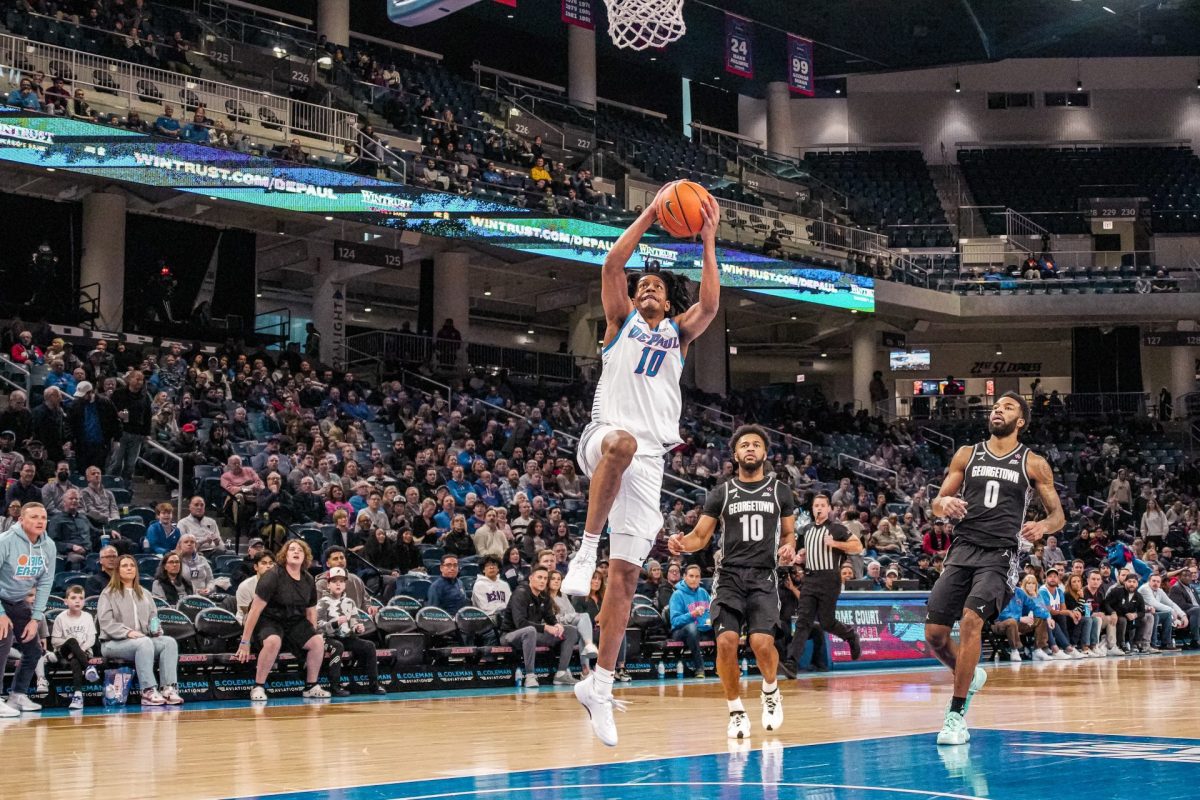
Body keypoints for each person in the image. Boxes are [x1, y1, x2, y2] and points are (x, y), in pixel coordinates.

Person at [564, 184, 721, 747]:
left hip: (651, 458)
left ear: (667, 302)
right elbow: (612, 264)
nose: (648, 287)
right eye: (642, 285)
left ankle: (599, 686)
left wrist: (707, 238)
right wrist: (652, 213)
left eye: (657, 286)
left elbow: (709, 305)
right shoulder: (620, 324)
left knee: (628, 575)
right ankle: (585, 550)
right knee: (623, 443)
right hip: (602, 440)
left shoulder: (677, 336)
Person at [924, 392, 1064, 746]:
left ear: (1021, 421)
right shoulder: (966, 454)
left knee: (971, 619)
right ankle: (969, 675)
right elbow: (936, 504)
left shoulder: (1033, 462)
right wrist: (945, 503)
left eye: (1008, 407)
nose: (998, 409)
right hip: (962, 549)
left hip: (1000, 554)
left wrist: (1043, 527)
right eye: (997, 405)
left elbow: (1058, 516)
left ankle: (955, 716)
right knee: (935, 636)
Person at [668, 424, 798, 738]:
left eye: (756, 444)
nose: (750, 448)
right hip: (729, 577)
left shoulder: (780, 490)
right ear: (735, 453)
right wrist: (681, 543)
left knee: (760, 643)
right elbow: (701, 536)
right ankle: (736, 710)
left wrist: (790, 547)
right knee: (726, 642)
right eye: (744, 445)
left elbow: (790, 532)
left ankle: (770, 690)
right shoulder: (722, 492)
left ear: (765, 453)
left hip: (764, 578)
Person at [235, 540, 331, 702]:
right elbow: (255, 610)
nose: (296, 552)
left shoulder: (308, 579)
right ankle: (258, 686)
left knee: (317, 642)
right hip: (268, 619)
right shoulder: (273, 576)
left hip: (294, 621)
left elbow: (311, 611)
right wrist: (245, 642)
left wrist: (310, 633)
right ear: (285, 555)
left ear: (305, 556)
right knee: (273, 641)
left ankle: (311, 686)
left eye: (300, 550)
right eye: (292, 549)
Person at [779, 493, 864, 674]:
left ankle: (850, 635)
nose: (819, 508)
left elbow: (858, 547)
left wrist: (835, 544)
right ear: (812, 508)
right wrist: (802, 555)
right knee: (803, 622)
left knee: (827, 623)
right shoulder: (807, 529)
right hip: (810, 578)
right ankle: (792, 663)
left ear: (829, 509)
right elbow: (807, 551)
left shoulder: (837, 529)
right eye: (816, 505)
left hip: (829, 579)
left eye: (822, 505)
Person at [98, 555, 183, 706]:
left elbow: (153, 617)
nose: (129, 568)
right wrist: (127, 633)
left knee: (169, 642)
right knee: (143, 642)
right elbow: (106, 623)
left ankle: (168, 688)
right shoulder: (108, 593)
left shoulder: (145, 593)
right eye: (125, 566)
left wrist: (155, 629)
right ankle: (148, 691)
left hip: (143, 641)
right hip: (113, 643)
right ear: (117, 570)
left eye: (132, 565)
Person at [0, 503, 55, 715]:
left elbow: (45, 583)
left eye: (43, 517)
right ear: (21, 520)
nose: (40, 521)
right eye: (34, 517)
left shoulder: (48, 546)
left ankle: (17, 696)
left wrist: (36, 618)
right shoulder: (6, 541)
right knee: (3, 642)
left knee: (34, 649)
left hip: (19, 600)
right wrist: (1, 614)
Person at [499, 565, 580, 688]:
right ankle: (530, 676)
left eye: (545, 578)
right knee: (530, 630)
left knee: (571, 630)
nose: (543, 581)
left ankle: (561, 674)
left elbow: (550, 617)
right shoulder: (520, 593)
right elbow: (520, 623)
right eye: (539, 577)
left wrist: (557, 625)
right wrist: (546, 628)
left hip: (533, 635)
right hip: (510, 635)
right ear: (531, 578)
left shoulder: (544, 596)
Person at [316, 567, 386, 697]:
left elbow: (354, 622)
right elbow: (318, 626)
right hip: (325, 638)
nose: (338, 584)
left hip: (345, 637)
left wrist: (357, 628)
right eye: (334, 581)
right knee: (337, 646)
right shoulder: (322, 603)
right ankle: (335, 685)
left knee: (369, 645)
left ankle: (374, 684)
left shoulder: (350, 602)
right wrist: (335, 623)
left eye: (341, 581)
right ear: (328, 584)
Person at [50, 585, 101, 710]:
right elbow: (55, 641)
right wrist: (73, 647)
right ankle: (89, 667)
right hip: (65, 651)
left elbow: (91, 639)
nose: (77, 601)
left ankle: (77, 696)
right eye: (73, 598)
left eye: (81, 598)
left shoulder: (87, 617)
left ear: (84, 601)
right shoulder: (60, 618)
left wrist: (79, 651)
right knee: (72, 641)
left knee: (75, 661)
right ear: (66, 601)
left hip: (81, 653)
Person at [667, 565, 713, 679]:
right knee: (692, 628)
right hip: (680, 631)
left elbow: (712, 611)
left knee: (722, 628)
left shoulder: (703, 592)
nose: (694, 579)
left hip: (702, 629)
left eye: (697, 576)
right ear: (684, 577)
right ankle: (699, 667)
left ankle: (723, 667)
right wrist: (692, 614)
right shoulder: (677, 595)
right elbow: (675, 621)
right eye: (691, 576)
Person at [993, 575, 1052, 661]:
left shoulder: (1020, 592)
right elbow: (1001, 614)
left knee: (1041, 619)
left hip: (1018, 623)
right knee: (1012, 622)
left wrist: (1048, 617)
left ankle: (1038, 650)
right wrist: (1020, 618)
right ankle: (1014, 650)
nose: (1012, 579)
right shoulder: (999, 592)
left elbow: (1033, 607)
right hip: (999, 623)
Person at [236, 550, 276, 623]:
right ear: (256, 567)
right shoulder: (245, 586)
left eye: (271, 563)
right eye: (263, 563)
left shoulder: (279, 584)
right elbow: (247, 613)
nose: (268, 566)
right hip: (247, 620)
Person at [471, 555, 512, 624]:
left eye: (494, 565)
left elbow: (509, 604)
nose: (491, 567)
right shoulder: (479, 585)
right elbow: (485, 608)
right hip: (486, 620)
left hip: (504, 617)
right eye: (487, 565)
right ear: (483, 570)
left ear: (498, 569)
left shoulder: (504, 585)